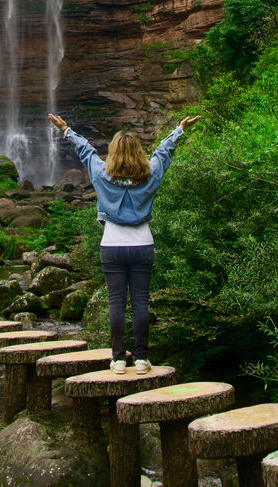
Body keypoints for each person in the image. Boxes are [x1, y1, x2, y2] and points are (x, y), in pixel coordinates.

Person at [48, 112, 201, 375]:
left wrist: (66, 130)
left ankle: (118, 360)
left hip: (112, 246)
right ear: (139, 153)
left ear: (113, 153)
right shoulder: (150, 174)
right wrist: (179, 130)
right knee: (141, 302)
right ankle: (141, 359)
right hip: (142, 245)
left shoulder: (100, 173)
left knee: (116, 304)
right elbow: (164, 153)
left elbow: (85, 151)